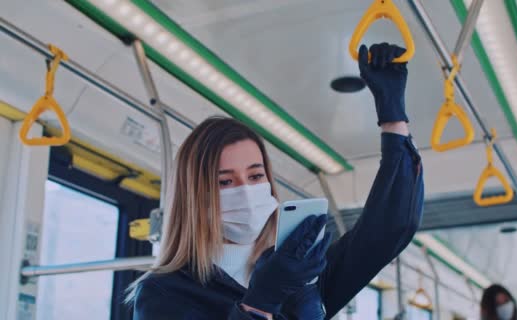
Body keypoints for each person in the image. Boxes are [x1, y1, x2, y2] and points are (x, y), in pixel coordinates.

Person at [125, 43, 424, 319]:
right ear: (195, 196)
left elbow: (387, 229)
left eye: (255, 176)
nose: (246, 192)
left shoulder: (298, 272)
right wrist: (259, 302)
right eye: (225, 182)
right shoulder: (163, 293)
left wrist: (393, 118)